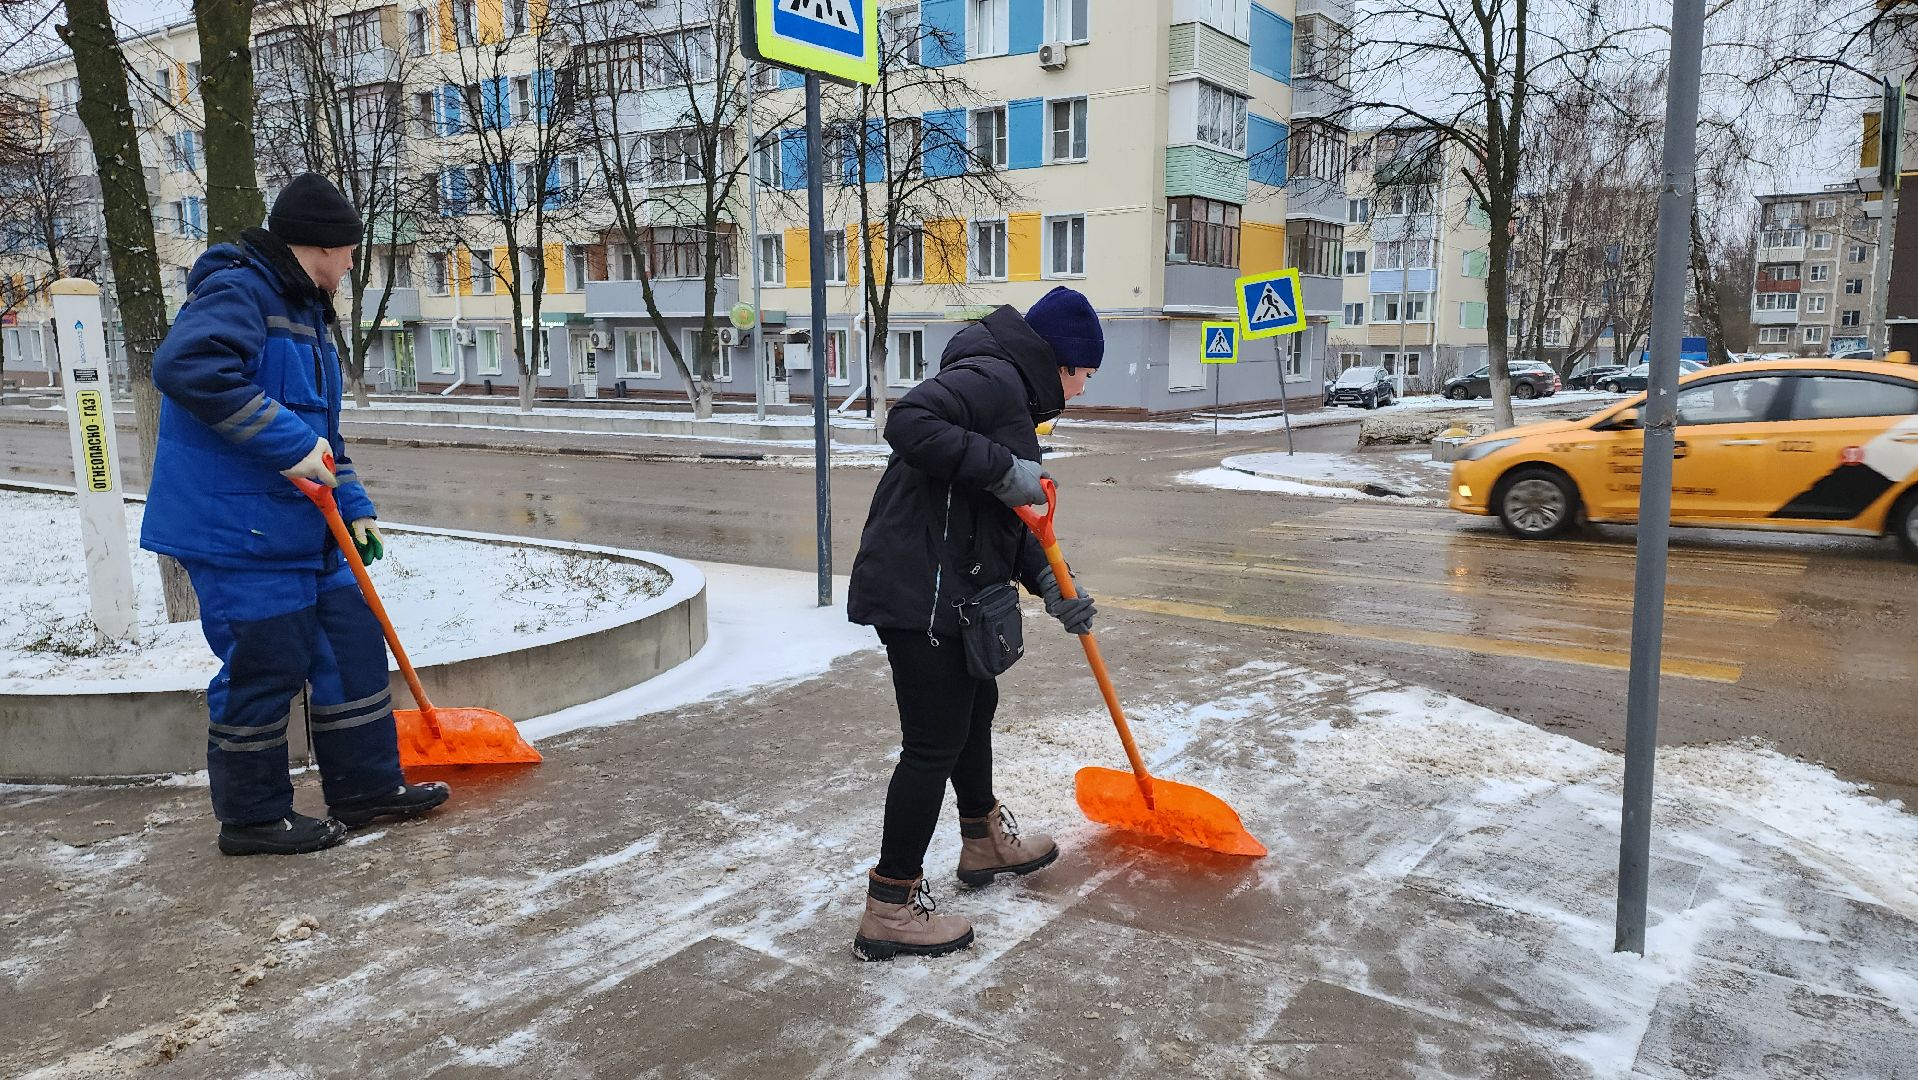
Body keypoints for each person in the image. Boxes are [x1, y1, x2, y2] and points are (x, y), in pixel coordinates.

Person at [139, 173, 448, 856]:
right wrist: (285, 444)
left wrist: (355, 505)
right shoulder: (240, 291)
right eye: (350, 253)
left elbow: (321, 435)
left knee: (351, 648)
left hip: (304, 527)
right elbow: (186, 367)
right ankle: (252, 819)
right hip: (239, 531)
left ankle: (366, 789)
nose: (351, 266)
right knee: (267, 665)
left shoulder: (306, 313)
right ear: (325, 247)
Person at [845, 285, 1103, 960]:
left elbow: (1004, 512)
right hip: (920, 593)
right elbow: (908, 422)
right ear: (1062, 362)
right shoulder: (992, 378)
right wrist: (1003, 469)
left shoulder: (1009, 393)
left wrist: (1052, 583)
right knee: (932, 744)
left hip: (950, 590)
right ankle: (890, 906)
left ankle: (983, 839)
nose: (1081, 390)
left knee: (975, 705)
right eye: (1084, 375)